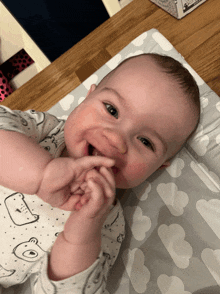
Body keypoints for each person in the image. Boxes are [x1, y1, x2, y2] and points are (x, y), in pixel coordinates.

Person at [0, 53, 200, 293]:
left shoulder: (105, 225)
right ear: (88, 95)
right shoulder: (45, 131)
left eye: (146, 141)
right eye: (111, 110)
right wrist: (42, 173)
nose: (116, 139)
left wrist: (80, 235)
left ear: (159, 167)